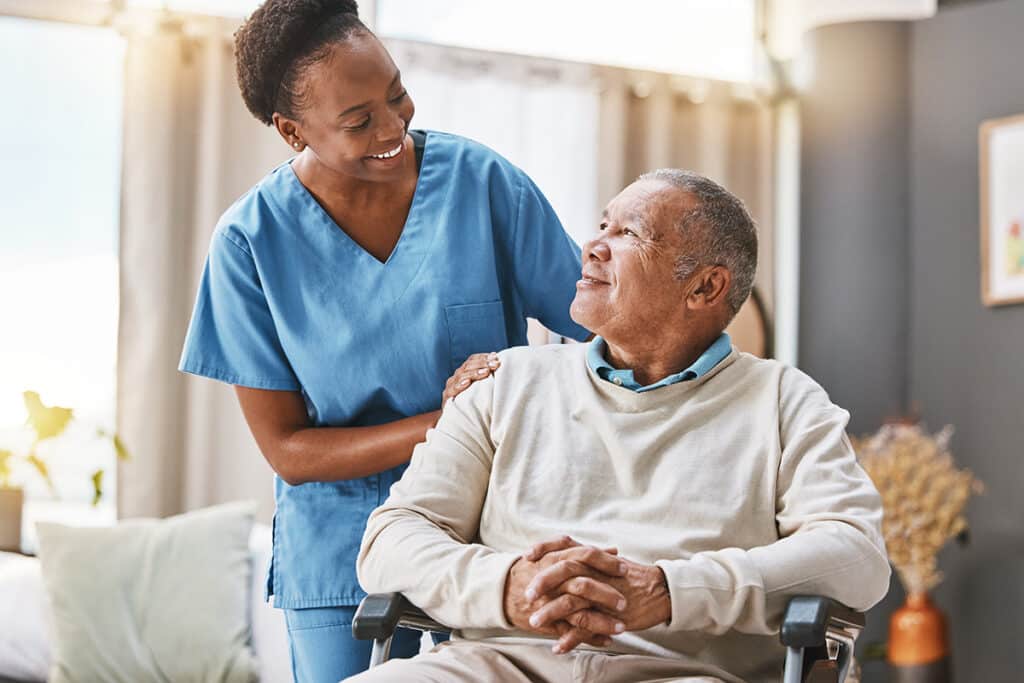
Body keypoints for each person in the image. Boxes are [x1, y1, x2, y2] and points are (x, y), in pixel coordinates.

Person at [177, 1, 590, 680]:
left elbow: (603, 325)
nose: (394, 126)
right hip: (344, 551)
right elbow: (289, 449)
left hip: (493, 537)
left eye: (397, 94)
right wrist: (447, 421)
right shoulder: (249, 244)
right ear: (291, 130)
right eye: (358, 120)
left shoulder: (482, 183)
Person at [352, 170, 891, 683]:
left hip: (681, 673)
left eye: (629, 233)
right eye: (603, 224)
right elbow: (391, 538)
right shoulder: (504, 380)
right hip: (493, 663)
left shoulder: (783, 400)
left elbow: (855, 554)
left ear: (704, 287)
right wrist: (508, 585)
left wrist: (668, 590)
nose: (592, 246)